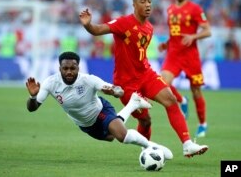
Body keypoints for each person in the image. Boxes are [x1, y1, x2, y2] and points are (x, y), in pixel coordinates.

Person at [79, 0, 208, 157]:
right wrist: (88, 24)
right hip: (126, 83)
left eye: (149, 1)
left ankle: (187, 144)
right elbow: (98, 30)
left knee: (171, 100)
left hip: (146, 74)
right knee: (145, 121)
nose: (147, 5)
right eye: (143, 1)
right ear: (134, 5)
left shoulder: (149, 27)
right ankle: (145, 151)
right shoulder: (123, 23)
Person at [25, 51, 173, 160]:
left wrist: (116, 91)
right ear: (59, 69)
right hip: (85, 124)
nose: (69, 72)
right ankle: (133, 103)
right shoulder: (50, 83)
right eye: (65, 68)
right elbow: (32, 108)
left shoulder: (88, 79)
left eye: (73, 68)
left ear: (78, 67)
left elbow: (112, 88)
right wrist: (32, 96)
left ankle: (152, 147)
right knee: (111, 137)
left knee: (122, 136)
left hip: (101, 110)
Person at [158, 0, 212, 138]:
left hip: (190, 56)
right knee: (163, 83)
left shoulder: (195, 9)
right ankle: (182, 100)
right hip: (173, 54)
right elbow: (175, 33)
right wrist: (167, 44)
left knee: (196, 91)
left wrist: (193, 36)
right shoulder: (170, 9)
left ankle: (202, 124)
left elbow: (208, 31)